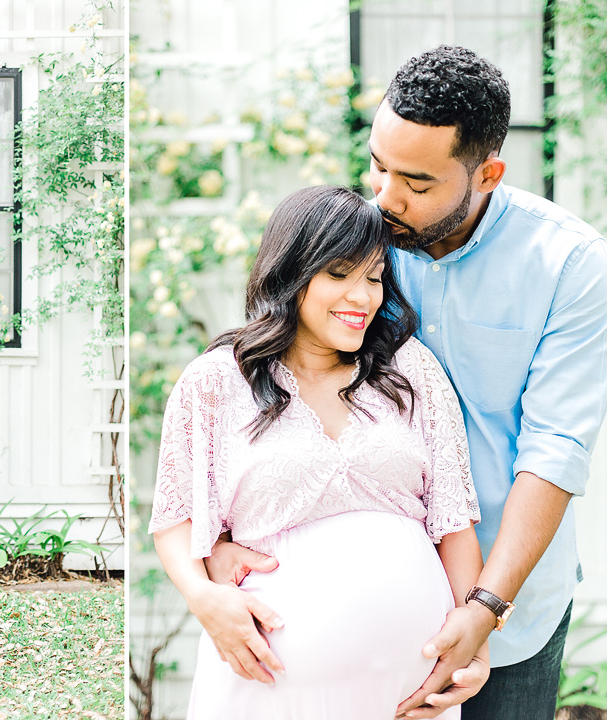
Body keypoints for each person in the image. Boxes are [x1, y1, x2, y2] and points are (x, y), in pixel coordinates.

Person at [205, 46, 607, 720]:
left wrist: (484, 607)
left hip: (509, 612)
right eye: (378, 166)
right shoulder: (357, 241)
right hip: (339, 623)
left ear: (488, 173)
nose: (386, 198)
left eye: (417, 183)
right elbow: (266, 386)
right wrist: (214, 551)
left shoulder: (570, 266)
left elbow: (555, 450)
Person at [149, 185, 487, 719]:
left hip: (409, 694)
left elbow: (453, 520)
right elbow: (174, 514)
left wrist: (477, 640)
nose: (363, 297)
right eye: (339, 274)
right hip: (268, 686)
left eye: (374, 278)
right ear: (291, 271)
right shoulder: (216, 380)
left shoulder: (411, 369)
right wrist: (202, 595)